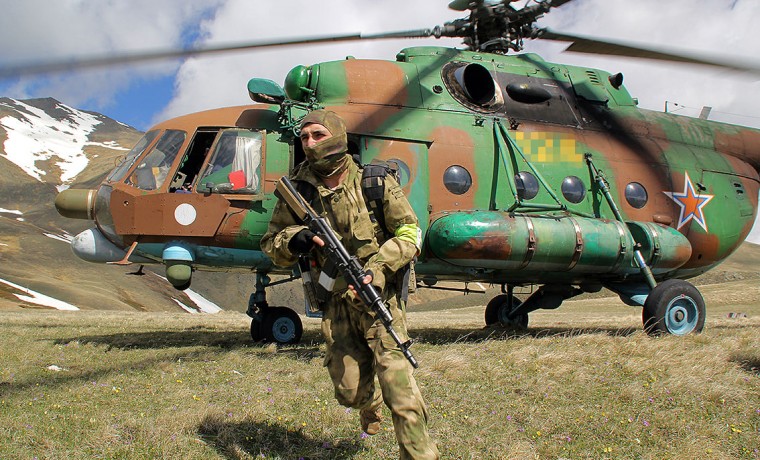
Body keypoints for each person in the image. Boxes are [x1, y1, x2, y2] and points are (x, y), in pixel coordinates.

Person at [261, 110, 439, 460]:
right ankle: (367, 403)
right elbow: (271, 243)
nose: (310, 143)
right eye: (305, 137)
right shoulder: (297, 189)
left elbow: (410, 232)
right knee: (349, 392)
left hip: (379, 297)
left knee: (399, 390)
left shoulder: (374, 179)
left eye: (318, 134)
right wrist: (294, 240)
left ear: (338, 136)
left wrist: (380, 267)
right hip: (335, 300)